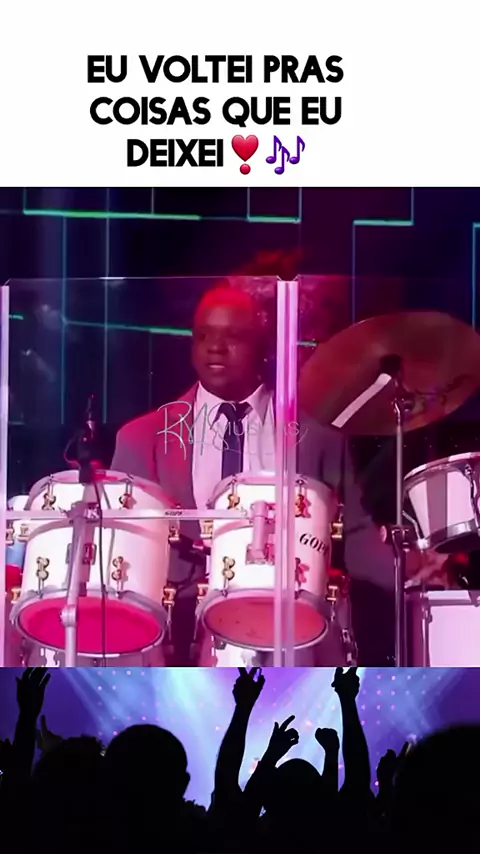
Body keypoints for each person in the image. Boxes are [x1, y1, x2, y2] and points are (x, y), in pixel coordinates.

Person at [111, 285, 397, 665]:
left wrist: (409, 571)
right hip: (178, 648)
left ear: (264, 347)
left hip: (291, 640)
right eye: (204, 336)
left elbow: (354, 535)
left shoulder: (317, 436)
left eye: (233, 336)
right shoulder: (142, 438)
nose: (215, 347)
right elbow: (123, 558)